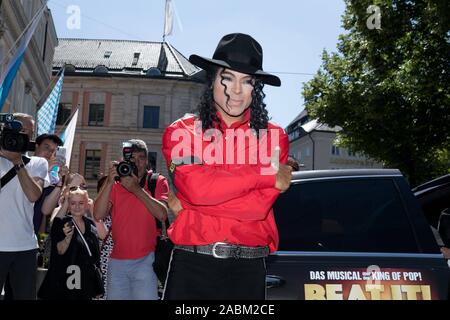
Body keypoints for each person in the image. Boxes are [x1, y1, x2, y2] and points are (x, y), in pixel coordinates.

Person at [161, 33, 292, 300]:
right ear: (211, 81)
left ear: (257, 89)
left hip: (248, 270)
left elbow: (257, 208)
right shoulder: (182, 132)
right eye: (228, 78)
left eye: (247, 81)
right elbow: (198, 190)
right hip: (192, 267)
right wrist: (262, 175)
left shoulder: (274, 136)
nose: (236, 91)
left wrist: (203, 201)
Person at [94, 139, 169, 300]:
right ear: (124, 161)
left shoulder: (156, 181)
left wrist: (136, 189)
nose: (136, 163)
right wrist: (108, 182)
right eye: (132, 159)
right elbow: (98, 215)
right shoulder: (116, 184)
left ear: (147, 160)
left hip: (146, 260)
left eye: (141, 158)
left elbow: (162, 215)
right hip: (117, 261)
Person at [0, 113, 49, 300]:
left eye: (27, 132)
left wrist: (17, 161)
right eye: (17, 131)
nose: (21, 136)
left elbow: (33, 195)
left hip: (25, 247)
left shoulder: (38, 163)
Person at [38, 187, 102, 300]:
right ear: (68, 204)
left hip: (85, 281)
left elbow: (96, 252)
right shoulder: (61, 223)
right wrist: (67, 239)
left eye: (81, 203)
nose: (77, 207)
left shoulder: (91, 224)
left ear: (87, 204)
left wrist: (96, 282)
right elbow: (59, 250)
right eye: (73, 203)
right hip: (66, 281)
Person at [33, 133, 66, 235]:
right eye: (46, 147)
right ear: (36, 146)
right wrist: (45, 171)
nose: (49, 153)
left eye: (53, 151)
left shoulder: (53, 179)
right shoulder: (22, 164)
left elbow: (46, 210)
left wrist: (61, 181)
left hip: (30, 234)